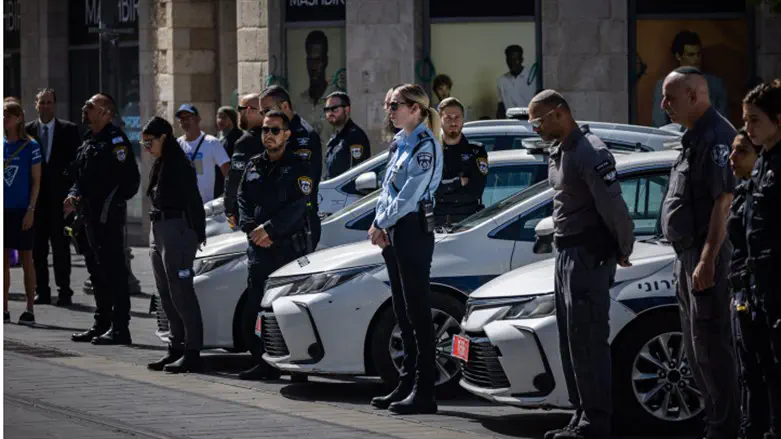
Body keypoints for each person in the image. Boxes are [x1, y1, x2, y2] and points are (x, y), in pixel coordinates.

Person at [529, 90, 634, 439]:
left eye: (538, 121)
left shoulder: (590, 151)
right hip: (567, 253)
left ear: (559, 113)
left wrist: (624, 245)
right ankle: (581, 414)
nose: (535, 129)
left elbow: (613, 205)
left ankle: (595, 422)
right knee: (572, 339)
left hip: (588, 255)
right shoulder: (561, 149)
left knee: (588, 338)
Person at [659, 67, 739, 439]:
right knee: (696, 349)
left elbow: (723, 203)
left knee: (712, 346)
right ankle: (714, 423)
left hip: (707, 257)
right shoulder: (693, 137)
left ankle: (725, 427)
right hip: (687, 256)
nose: (664, 104)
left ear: (693, 95)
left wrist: (707, 260)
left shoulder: (717, 137)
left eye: (670, 97)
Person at [369, 84, 443, 415]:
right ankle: (406, 382)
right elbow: (387, 190)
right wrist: (380, 222)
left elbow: (409, 196)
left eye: (396, 105)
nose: (390, 110)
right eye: (389, 105)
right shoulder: (401, 142)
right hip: (395, 229)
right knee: (402, 309)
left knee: (417, 311)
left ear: (415, 109)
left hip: (412, 230)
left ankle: (424, 390)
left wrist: (381, 222)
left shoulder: (425, 146)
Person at [236, 110, 314, 380]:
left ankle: (297, 368)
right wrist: (251, 229)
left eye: (275, 130)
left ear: (287, 134)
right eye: (265, 130)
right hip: (259, 249)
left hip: (288, 250)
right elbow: (242, 198)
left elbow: (299, 206)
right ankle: (264, 362)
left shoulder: (299, 167)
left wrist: (269, 230)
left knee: (288, 309)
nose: (268, 135)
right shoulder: (254, 164)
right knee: (257, 307)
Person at [68, 94, 140, 345]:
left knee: (114, 272)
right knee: (95, 271)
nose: (85, 109)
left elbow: (130, 182)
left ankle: (120, 328)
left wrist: (109, 203)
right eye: (85, 105)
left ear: (106, 112)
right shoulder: (89, 139)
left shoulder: (116, 141)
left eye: (91, 106)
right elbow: (78, 175)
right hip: (87, 216)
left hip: (107, 217)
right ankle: (101, 324)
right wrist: (73, 194)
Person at [141, 117, 206, 374]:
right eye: (144, 143)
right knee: (165, 292)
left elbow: (193, 199)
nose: (147, 148)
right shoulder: (161, 163)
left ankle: (192, 351)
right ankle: (175, 347)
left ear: (163, 138)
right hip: (159, 228)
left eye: (150, 142)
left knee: (181, 291)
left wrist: (197, 232)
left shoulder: (179, 163)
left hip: (177, 229)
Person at [740, 80, 781, 439]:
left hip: (779, 285)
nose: (747, 128)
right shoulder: (762, 160)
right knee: (761, 367)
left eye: (755, 120)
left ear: (778, 120)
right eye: (745, 120)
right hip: (759, 285)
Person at [725, 128, 771, 439]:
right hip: (741, 290)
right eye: (733, 150)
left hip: (760, 293)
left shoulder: (764, 194)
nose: (732, 157)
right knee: (746, 371)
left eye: (742, 151)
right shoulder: (743, 191)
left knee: (762, 371)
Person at [24, 88, 80, 307]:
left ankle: (64, 291)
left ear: (54, 105)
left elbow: (75, 164)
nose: (45, 106)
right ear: (36, 105)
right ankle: (42, 291)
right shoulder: (28, 131)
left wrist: (72, 193)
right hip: (36, 201)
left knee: (61, 248)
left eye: (49, 102)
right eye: (42, 102)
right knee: (38, 249)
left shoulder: (69, 130)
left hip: (60, 200)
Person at [259, 85, 322, 248]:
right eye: (262, 113)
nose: (264, 117)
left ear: (285, 107)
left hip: (296, 226)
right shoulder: (271, 132)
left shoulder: (303, 136)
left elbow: (301, 190)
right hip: (273, 221)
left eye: (267, 110)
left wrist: (273, 227)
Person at [3, 99, 42, 325]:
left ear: (18, 118)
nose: (4, 119)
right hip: (4, 210)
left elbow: (36, 181)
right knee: (3, 261)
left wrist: (31, 209)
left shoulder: (30, 146)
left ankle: (29, 308)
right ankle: (4, 308)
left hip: (22, 210)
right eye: (2, 115)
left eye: (8, 115)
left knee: (27, 259)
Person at [652, 30, 729, 127]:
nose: (697, 59)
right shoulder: (664, 85)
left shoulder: (715, 84)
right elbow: (659, 124)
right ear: (678, 56)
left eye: (698, 54)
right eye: (691, 55)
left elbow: (723, 121)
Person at [434, 97, 487, 227]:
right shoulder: (432, 152)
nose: (453, 122)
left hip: (469, 223)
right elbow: (432, 190)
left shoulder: (476, 151)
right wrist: (459, 182)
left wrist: (445, 187)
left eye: (457, 117)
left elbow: (475, 191)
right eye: (448, 118)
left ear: (463, 120)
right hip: (439, 223)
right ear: (440, 120)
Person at [175, 104, 230, 204]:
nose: (184, 121)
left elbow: (228, 174)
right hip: (182, 205)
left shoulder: (212, 143)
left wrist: (226, 198)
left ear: (197, 119)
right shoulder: (177, 144)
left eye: (188, 117)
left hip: (206, 206)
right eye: (181, 119)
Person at [225, 94, 265, 228]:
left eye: (239, 109)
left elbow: (235, 177)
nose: (238, 114)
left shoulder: (246, 142)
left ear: (248, 110)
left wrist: (230, 209)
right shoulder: (276, 136)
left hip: (250, 212)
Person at [292, 30, 338, 143]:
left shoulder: (337, 102)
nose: (314, 66)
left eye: (318, 60)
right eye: (310, 60)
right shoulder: (299, 104)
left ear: (325, 61)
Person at [323, 91, 371, 180]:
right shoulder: (336, 137)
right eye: (327, 109)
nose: (330, 113)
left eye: (334, 109)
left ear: (347, 110)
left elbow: (357, 172)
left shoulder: (355, 136)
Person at [496, 44, 537, 119]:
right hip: (510, 122)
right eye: (509, 60)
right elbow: (501, 107)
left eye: (515, 59)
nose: (512, 63)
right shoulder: (502, 80)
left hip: (529, 121)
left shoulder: (533, 78)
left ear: (521, 59)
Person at [214, 106, 243, 199]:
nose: (220, 120)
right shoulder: (219, 136)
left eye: (224, 117)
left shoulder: (238, 137)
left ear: (232, 119)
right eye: (218, 117)